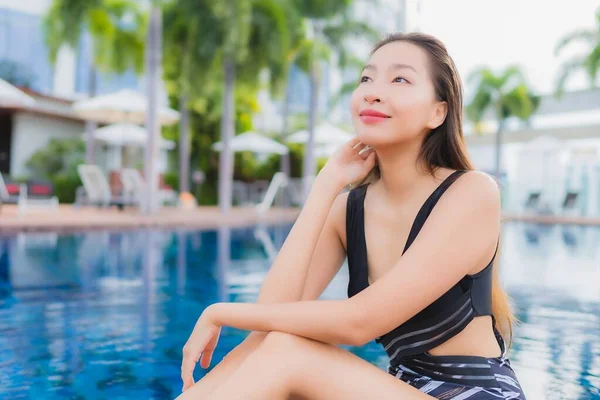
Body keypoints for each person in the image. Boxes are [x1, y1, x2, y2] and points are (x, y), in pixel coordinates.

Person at [176, 32, 527, 400]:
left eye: (400, 79)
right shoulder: (348, 211)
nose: (373, 91)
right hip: (400, 387)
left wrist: (220, 312)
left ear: (438, 111)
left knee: (286, 352)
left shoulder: (471, 193)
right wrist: (325, 186)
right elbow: (270, 315)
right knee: (271, 343)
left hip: (474, 392)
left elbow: (360, 323)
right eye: (366, 78)